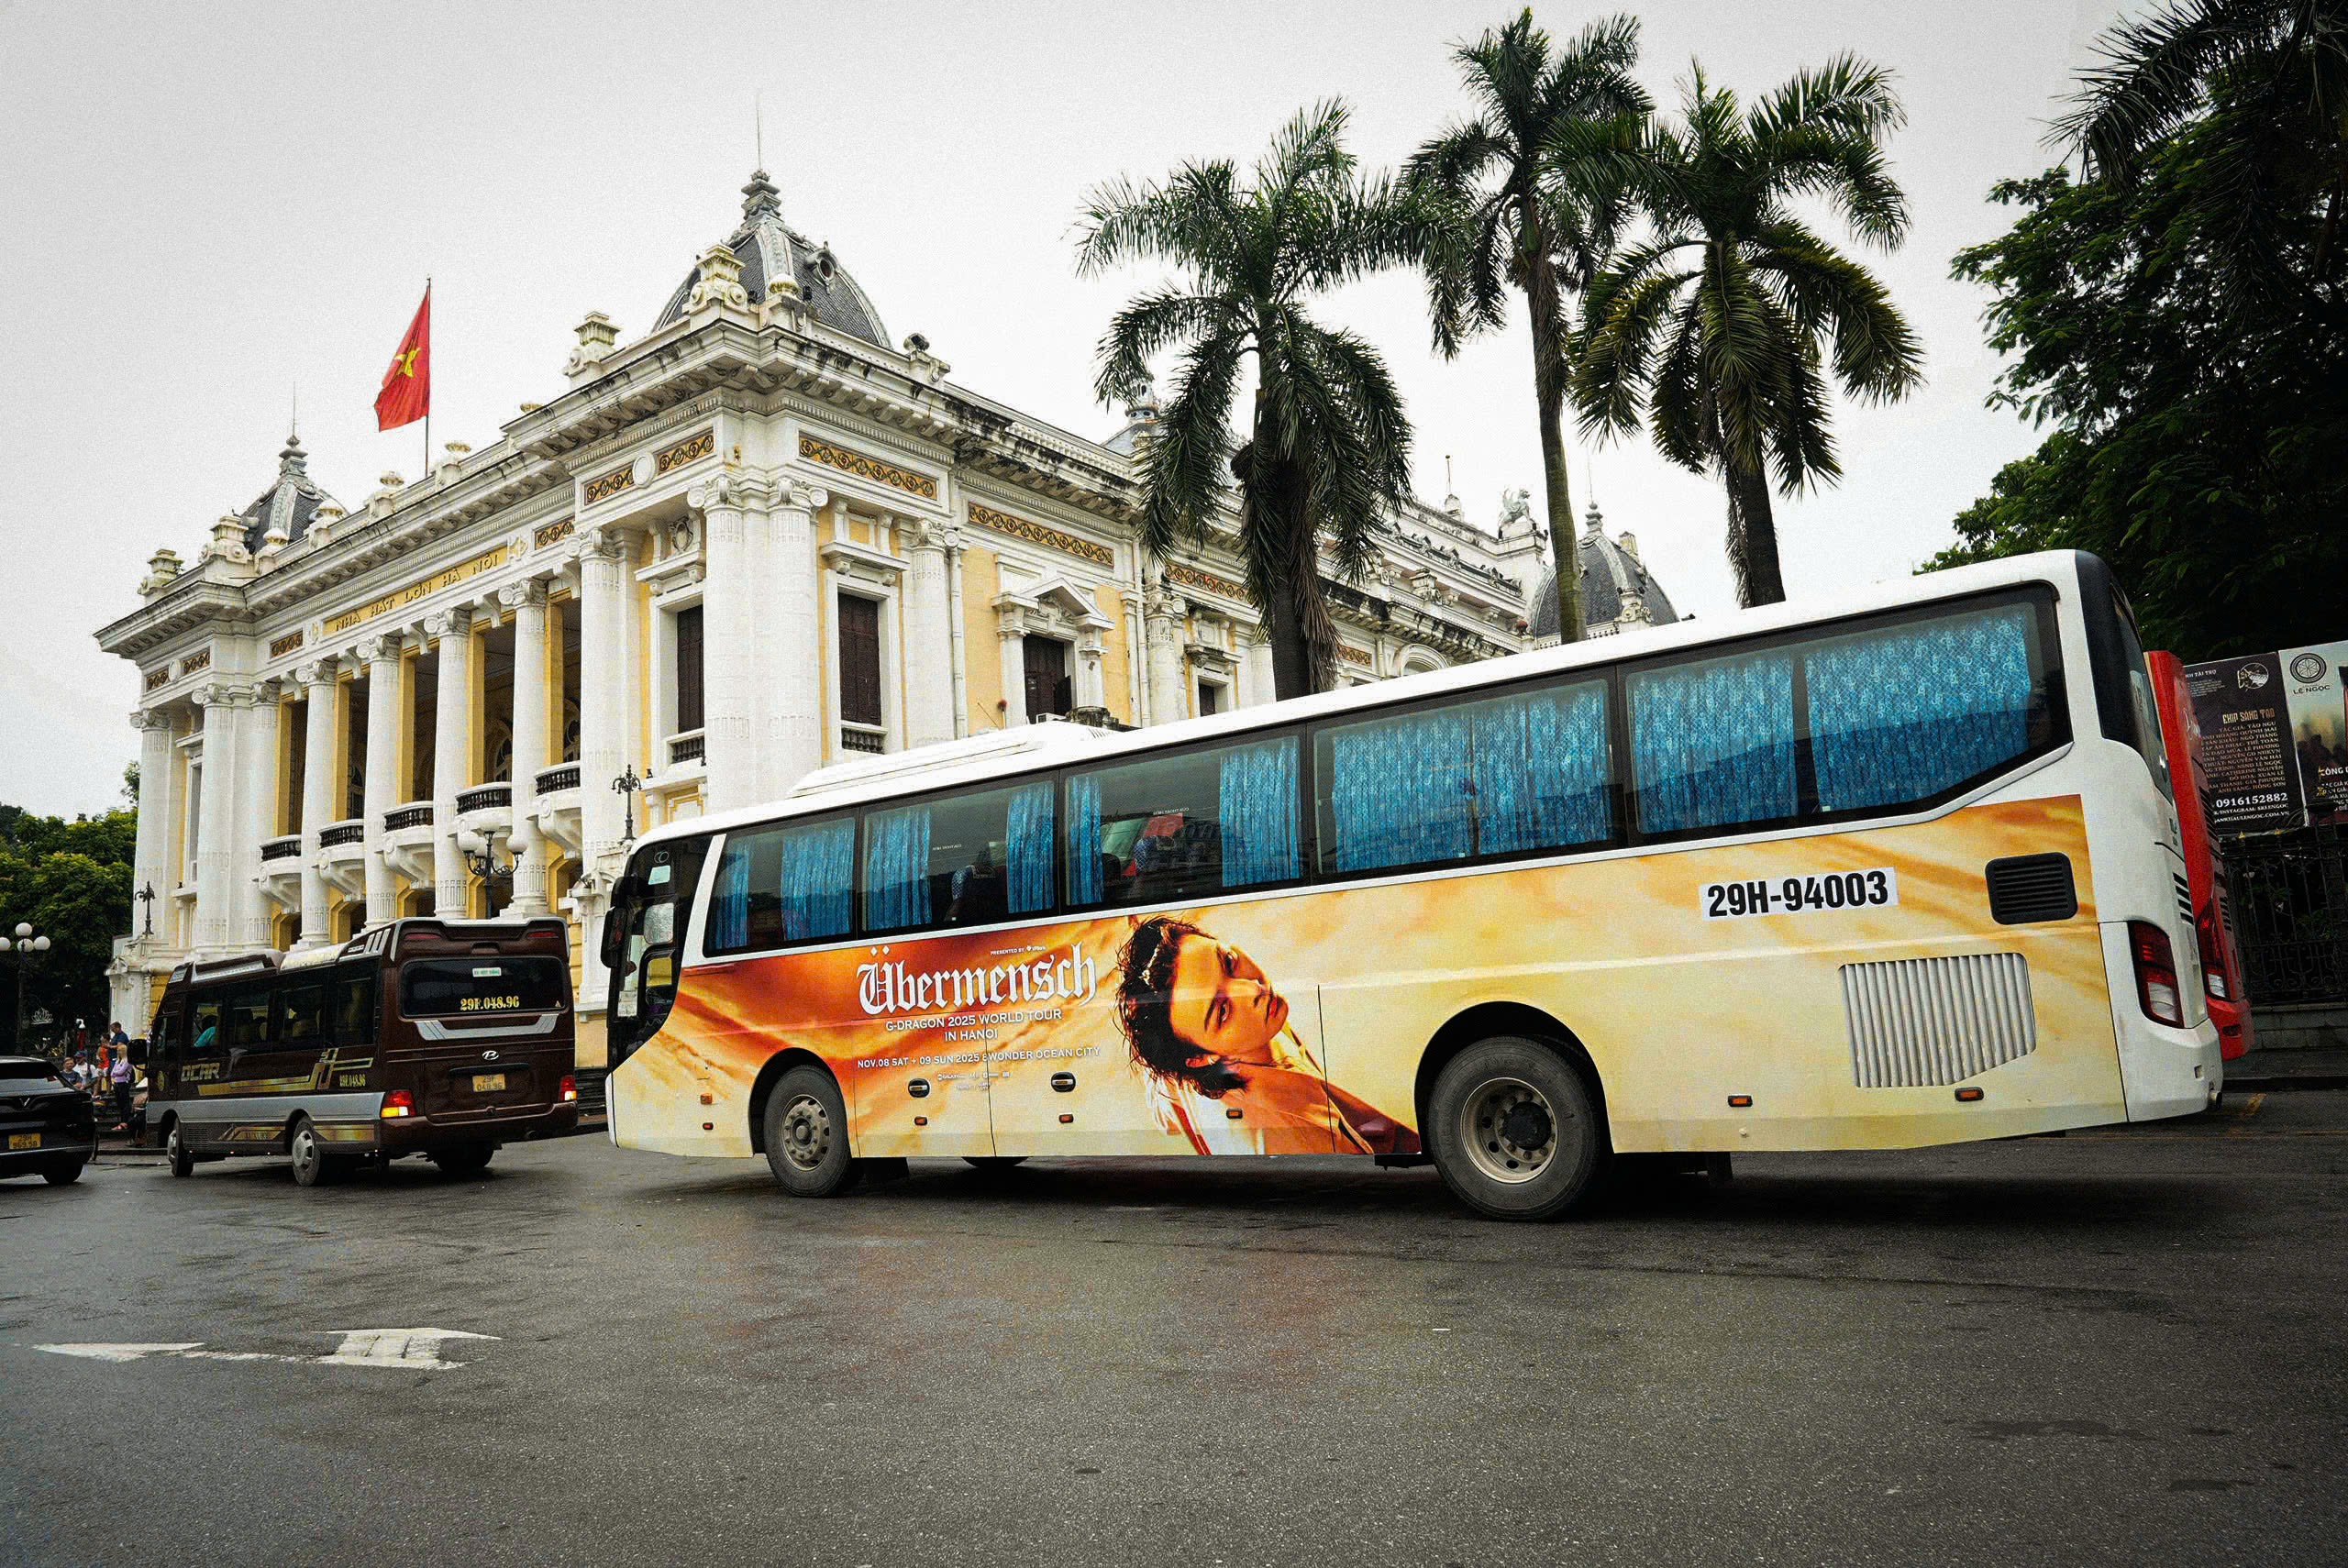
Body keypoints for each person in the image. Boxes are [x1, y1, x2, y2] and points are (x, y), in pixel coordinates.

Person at [1113, 915, 1418, 1156]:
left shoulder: (1178, 1068)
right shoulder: (1290, 1134)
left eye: (1230, 962)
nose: (1252, 989)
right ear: (1199, 1058)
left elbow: (1162, 1098)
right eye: (1222, 1012)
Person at [108, 1050, 134, 1132]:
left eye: (120, 1050)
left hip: (124, 1083)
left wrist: (116, 1072)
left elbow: (121, 1072)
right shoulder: (118, 1061)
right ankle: (121, 1121)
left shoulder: (127, 1061)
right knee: (120, 1103)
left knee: (125, 1103)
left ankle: (125, 1121)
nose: (118, 1052)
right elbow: (112, 1073)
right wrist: (116, 1072)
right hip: (117, 1083)